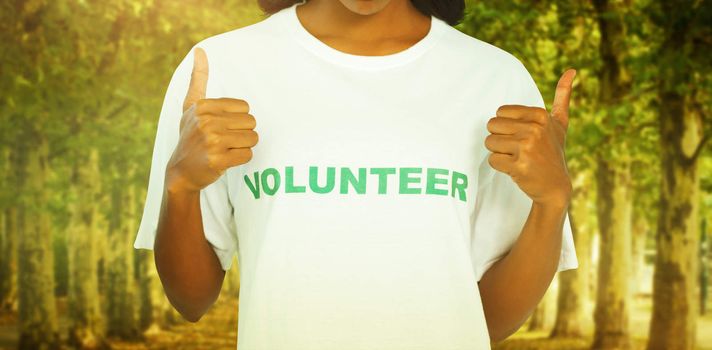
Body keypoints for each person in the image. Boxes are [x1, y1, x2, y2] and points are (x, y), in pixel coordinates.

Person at [133, 0, 579, 348]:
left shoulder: (493, 78)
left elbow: (492, 321)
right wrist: (181, 185)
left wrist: (552, 202)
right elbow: (191, 300)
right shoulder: (220, 68)